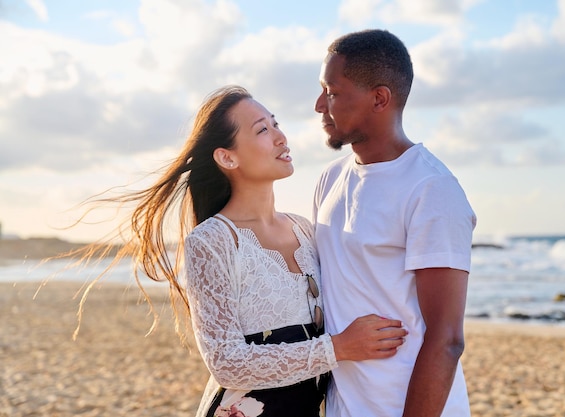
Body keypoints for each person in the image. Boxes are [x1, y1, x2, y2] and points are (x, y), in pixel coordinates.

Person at [68, 85, 407, 417]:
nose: (280, 137)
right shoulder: (212, 241)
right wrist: (339, 348)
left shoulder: (305, 229)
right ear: (227, 157)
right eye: (262, 130)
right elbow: (226, 364)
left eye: (276, 124)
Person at [313, 30, 477, 417]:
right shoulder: (330, 180)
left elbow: (447, 339)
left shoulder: (432, 189)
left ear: (379, 98)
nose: (320, 104)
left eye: (332, 92)